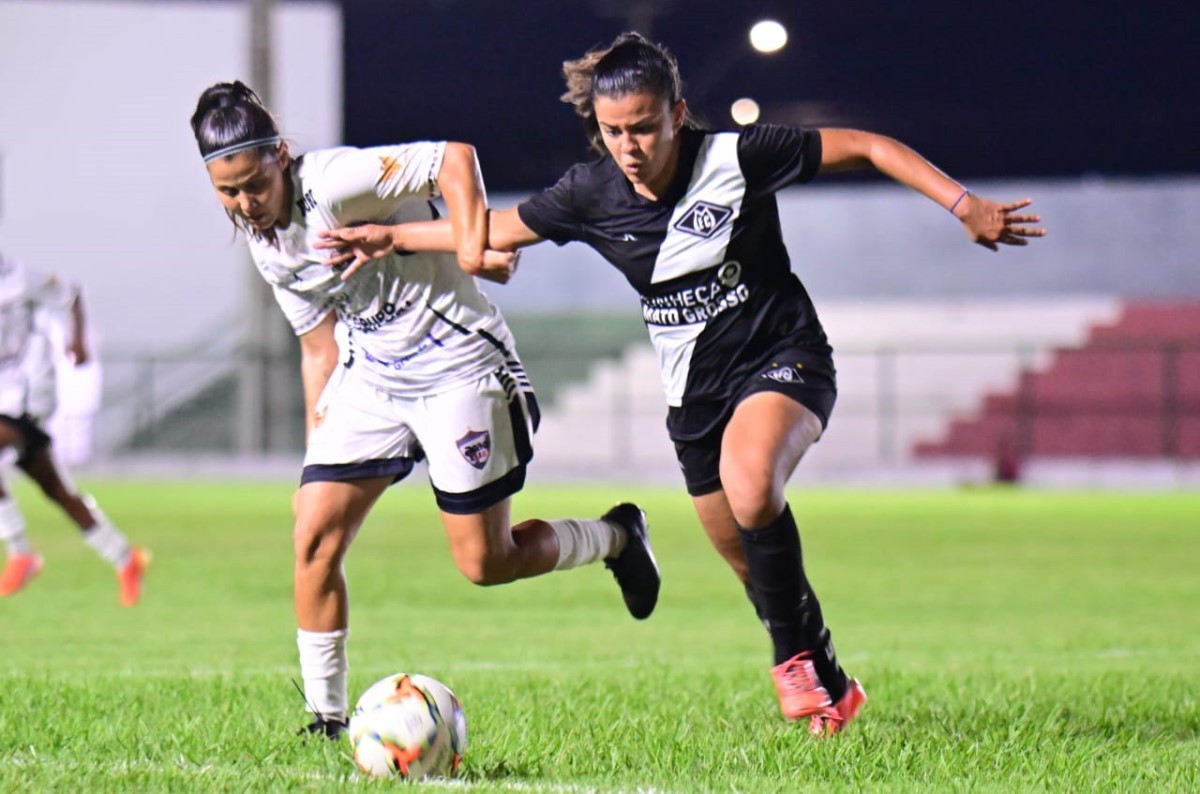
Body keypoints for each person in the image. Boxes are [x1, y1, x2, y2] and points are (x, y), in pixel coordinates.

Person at [315, 33, 1047, 736]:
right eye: (613, 131)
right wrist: (392, 237)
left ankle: (793, 668)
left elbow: (867, 145)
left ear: (677, 115)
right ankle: (827, 678)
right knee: (748, 560)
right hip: (695, 398)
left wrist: (964, 205)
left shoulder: (738, 157)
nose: (629, 147)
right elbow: (496, 228)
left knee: (751, 485)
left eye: (643, 128)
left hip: (783, 358)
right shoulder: (591, 192)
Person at [189, 81, 660, 739]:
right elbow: (318, 348)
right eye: (228, 192)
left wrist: (469, 248)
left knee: (485, 563)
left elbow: (455, 159)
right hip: (371, 379)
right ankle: (326, 718)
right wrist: (316, 455)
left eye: (254, 185)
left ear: (281, 156)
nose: (246, 203)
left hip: (458, 368)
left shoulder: (334, 182)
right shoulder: (268, 246)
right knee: (313, 534)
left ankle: (616, 537)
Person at [0, 251, 150, 606]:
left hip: (28, 394)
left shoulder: (19, 276)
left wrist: (77, 340)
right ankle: (125, 558)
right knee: (57, 490)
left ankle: (21, 553)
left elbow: (71, 293)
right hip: (3, 394)